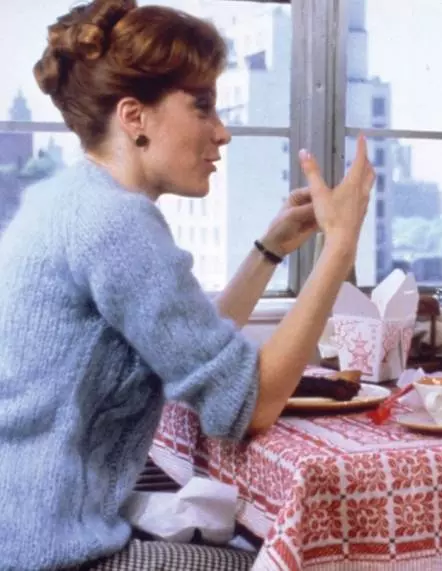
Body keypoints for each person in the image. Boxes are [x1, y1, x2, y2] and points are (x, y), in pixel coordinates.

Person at [0, 0, 374, 569]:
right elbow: (251, 405)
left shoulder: (70, 200)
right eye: (202, 106)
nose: (221, 132)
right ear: (134, 117)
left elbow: (193, 344)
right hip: (49, 552)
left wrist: (271, 248)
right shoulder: (115, 223)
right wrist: (341, 244)